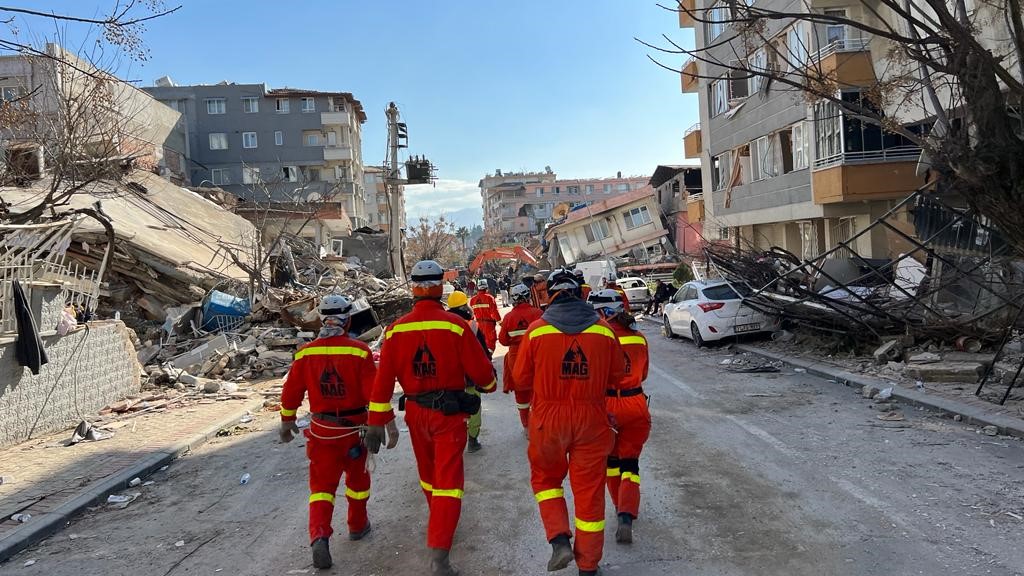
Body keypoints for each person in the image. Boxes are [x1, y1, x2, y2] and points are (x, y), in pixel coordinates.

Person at [366, 260, 497, 576]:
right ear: (440, 287)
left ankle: (440, 518)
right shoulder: (455, 326)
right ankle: (439, 555)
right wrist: (489, 385)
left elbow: (382, 382)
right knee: (449, 483)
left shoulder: (396, 330)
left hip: (415, 413)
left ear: (414, 288)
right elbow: (483, 376)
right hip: (449, 416)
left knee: (428, 475)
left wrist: (375, 421)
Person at [513, 269, 625, 576]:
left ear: (550, 295)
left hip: (548, 420)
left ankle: (560, 540)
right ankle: (588, 566)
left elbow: (521, 378)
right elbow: (617, 375)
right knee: (589, 493)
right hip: (592, 420)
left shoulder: (536, 331)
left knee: (546, 481)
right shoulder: (603, 330)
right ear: (580, 293)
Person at [279, 295, 385, 569]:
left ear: (321, 320)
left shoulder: (305, 354)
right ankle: (357, 525)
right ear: (347, 319)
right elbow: (373, 394)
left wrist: (287, 420)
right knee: (358, 483)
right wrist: (380, 423)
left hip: (322, 432)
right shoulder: (359, 352)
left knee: (321, 489)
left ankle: (319, 537)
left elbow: (291, 392)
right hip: (354, 431)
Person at [589, 289, 651, 544]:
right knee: (630, 464)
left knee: (611, 463)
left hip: (608, 406)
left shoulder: (599, 338)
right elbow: (644, 373)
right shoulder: (639, 338)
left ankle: (618, 506)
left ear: (605, 312)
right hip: (635, 403)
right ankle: (626, 514)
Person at [446, 290, 493, 453]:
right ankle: (472, 440)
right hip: (470, 376)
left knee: (453, 409)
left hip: (450, 378)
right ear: (464, 306)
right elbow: (481, 351)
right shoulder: (472, 325)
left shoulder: (444, 325)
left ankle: (454, 441)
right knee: (473, 406)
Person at [497, 283, 543, 429]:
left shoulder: (509, 317)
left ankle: (526, 424)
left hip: (516, 359)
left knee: (521, 394)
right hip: (537, 357)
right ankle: (539, 422)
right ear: (527, 296)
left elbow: (503, 341)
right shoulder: (538, 314)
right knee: (539, 391)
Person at [469, 280, 501, 350]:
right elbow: (494, 312)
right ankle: (489, 357)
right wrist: (500, 322)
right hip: (489, 324)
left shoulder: (472, 300)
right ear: (486, 288)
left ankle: (484, 357)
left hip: (478, 324)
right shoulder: (489, 298)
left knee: (481, 342)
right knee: (490, 342)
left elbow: (471, 315)